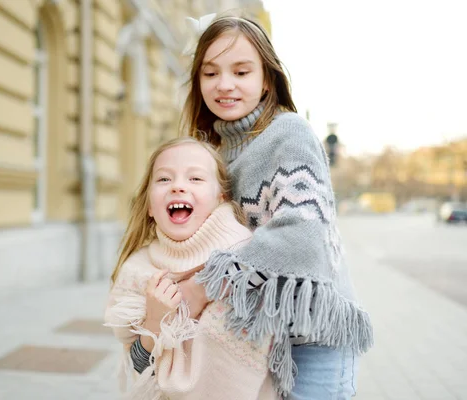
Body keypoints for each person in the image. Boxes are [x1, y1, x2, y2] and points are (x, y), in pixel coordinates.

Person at [175, 13, 374, 399]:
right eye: (210, 73)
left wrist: (204, 285)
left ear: (266, 79)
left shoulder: (287, 133)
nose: (225, 84)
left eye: (241, 71)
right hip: (257, 338)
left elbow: (301, 233)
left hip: (312, 339)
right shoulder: (211, 152)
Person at [105, 137, 278, 400]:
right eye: (164, 179)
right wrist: (154, 322)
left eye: (195, 179)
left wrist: (202, 288)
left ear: (220, 197)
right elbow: (138, 367)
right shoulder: (138, 270)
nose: (177, 186)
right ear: (150, 205)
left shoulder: (249, 257)